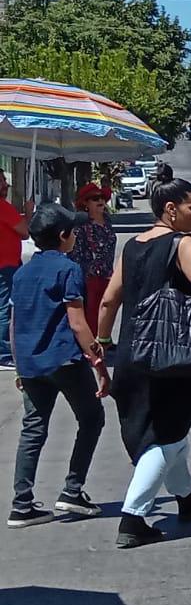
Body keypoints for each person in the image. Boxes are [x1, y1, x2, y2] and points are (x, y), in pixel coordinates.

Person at [97, 178, 191, 550]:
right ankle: (133, 517)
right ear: (171, 210)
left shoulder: (133, 246)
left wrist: (103, 345)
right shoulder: (181, 243)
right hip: (175, 360)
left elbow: (109, 300)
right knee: (167, 437)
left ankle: (187, 496)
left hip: (133, 356)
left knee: (164, 434)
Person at [7, 203, 109, 528]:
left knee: (33, 429)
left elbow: (13, 323)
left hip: (32, 363)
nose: (76, 235)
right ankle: (72, 490)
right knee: (92, 419)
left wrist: (21, 365)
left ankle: (22, 504)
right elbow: (78, 323)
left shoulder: (23, 272)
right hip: (63, 360)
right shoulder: (68, 269)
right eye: (74, 231)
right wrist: (97, 361)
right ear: (64, 236)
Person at [69, 183, 117, 326]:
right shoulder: (81, 226)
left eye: (102, 198)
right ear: (86, 203)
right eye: (95, 198)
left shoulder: (107, 221)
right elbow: (75, 253)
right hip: (89, 277)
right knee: (91, 314)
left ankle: (104, 339)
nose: (100, 201)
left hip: (107, 274)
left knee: (106, 310)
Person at [0, 169, 28, 370]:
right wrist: (30, 213)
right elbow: (24, 232)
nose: (6, 185)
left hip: (7, 263)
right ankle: (3, 353)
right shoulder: (3, 207)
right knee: (5, 308)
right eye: (1, 181)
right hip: (6, 264)